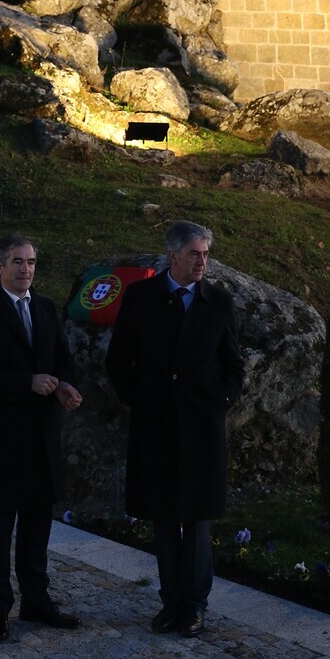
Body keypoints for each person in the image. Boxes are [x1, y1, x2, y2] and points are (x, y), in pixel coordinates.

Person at [105, 220, 243, 637]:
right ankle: (170, 601)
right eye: (194, 254)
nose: (202, 262)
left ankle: (195, 604)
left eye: (206, 254)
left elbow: (233, 364)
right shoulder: (141, 297)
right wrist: (140, 399)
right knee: (163, 515)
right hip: (156, 424)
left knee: (197, 517)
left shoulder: (218, 301)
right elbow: (119, 359)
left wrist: (219, 401)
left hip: (202, 427)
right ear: (173, 256)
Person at [0, 235, 83, 642]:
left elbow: (62, 357)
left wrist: (64, 385)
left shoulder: (45, 308)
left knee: (37, 526)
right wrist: (26, 382)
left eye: (31, 262)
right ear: (0, 266)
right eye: (17, 261)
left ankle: (36, 600)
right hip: (3, 440)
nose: (25, 269)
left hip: (41, 437)